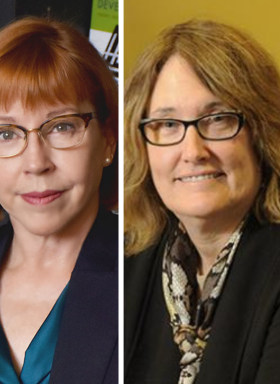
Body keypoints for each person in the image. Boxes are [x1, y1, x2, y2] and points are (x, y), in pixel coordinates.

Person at [0, 17, 118, 383]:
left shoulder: (143, 274)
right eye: (5, 133)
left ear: (108, 140)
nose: (36, 163)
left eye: (62, 126)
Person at [124, 19, 280, 384]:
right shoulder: (126, 265)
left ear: (261, 134)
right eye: (168, 125)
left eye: (218, 119)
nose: (192, 151)